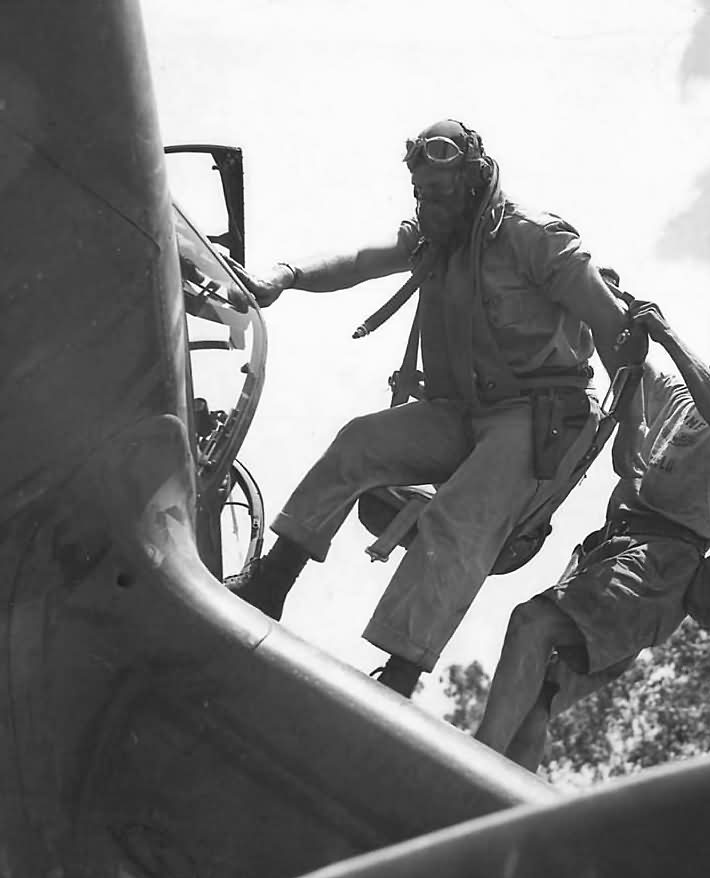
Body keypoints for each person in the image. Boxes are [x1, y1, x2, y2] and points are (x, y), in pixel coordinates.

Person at [224, 119, 630, 697]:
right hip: (465, 409)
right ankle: (271, 584)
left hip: (540, 416)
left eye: (439, 193)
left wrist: (629, 438)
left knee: (458, 520)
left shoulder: (535, 238)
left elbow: (615, 329)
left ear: (473, 181)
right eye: (420, 194)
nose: (428, 206)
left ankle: (399, 675)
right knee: (361, 441)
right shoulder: (437, 235)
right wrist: (284, 276)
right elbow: (360, 259)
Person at [474, 299, 710, 771]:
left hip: (659, 567)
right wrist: (604, 298)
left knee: (533, 622)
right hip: (611, 552)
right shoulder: (680, 396)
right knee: (538, 695)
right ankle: (499, 795)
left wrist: (669, 336)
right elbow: (628, 358)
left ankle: (472, 761)